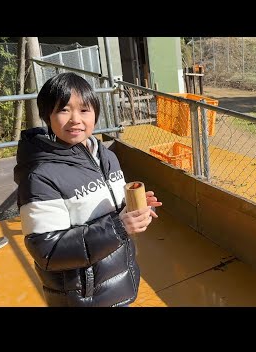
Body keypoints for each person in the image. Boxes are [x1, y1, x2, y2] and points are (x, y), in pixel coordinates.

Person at [13, 72, 162, 307]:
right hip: (83, 296)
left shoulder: (107, 157)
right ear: (47, 116)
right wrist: (120, 226)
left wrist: (131, 209)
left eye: (84, 110)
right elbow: (48, 251)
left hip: (119, 281)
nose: (75, 119)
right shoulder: (40, 177)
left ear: (95, 113)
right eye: (63, 110)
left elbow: (105, 211)